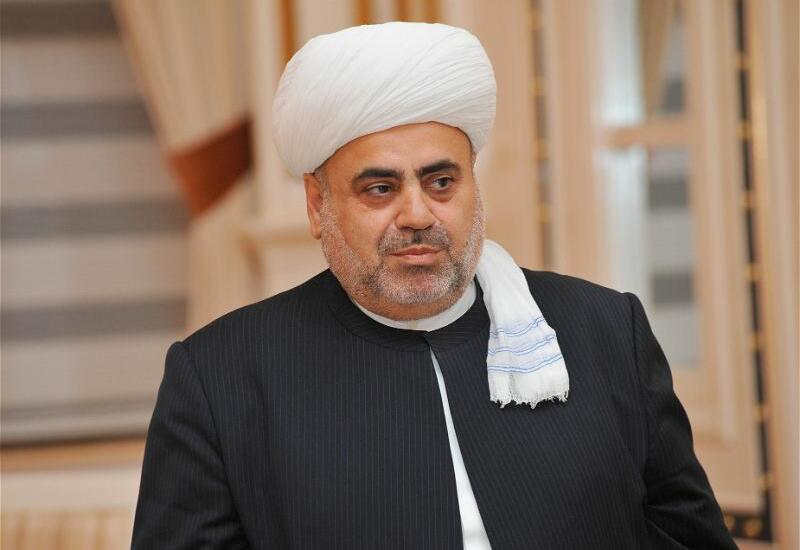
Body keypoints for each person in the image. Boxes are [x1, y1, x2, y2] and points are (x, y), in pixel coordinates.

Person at [132, 22, 737, 549]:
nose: (418, 214)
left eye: (441, 182)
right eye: (380, 189)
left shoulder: (604, 331)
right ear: (317, 204)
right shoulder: (221, 377)